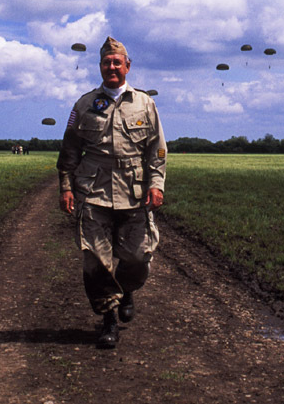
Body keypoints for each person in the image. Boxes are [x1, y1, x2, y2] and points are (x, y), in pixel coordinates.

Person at [56, 36, 166, 349]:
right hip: (93, 194)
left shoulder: (145, 103)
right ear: (100, 67)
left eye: (118, 61)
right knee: (94, 260)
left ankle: (126, 288)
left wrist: (156, 184)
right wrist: (66, 187)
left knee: (135, 257)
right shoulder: (84, 105)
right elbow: (70, 150)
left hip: (133, 194)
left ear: (127, 66)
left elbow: (157, 149)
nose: (112, 66)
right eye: (107, 62)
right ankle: (109, 319)